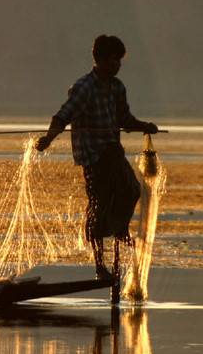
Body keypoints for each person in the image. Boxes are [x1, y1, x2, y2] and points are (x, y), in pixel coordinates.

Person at [35, 35, 158, 280]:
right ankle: (100, 265)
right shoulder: (84, 88)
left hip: (112, 151)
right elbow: (62, 116)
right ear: (101, 60)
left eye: (120, 61)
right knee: (98, 205)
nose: (118, 65)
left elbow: (125, 119)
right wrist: (48, 138)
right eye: (114, 60)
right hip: (93, 156)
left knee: (131, 190)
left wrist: (146, 126)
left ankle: (119, 227)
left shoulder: (117, 87)